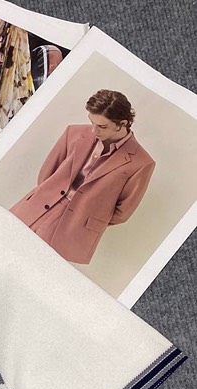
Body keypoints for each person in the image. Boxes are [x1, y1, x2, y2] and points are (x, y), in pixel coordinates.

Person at [9, 90, 155, 265]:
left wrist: (86, 216)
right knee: (4, 248)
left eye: (102, 126)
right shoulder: (73, 133)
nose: (94, 130)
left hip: (75, 226)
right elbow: (47, 173)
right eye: (92, 122)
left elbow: (122, 212)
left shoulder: (142, 163)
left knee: (36, 267)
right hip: (38, 206)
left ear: (122, 124)